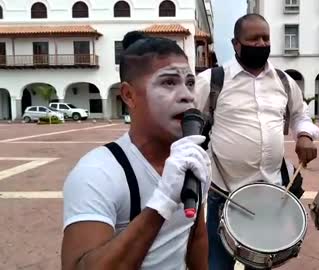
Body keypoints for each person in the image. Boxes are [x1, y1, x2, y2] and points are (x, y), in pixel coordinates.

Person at [61, 31, 211, 270]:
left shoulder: (193, 160)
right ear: (129, 95)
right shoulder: (97, 173)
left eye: (190, 83)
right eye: (169, 82)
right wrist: (162, 203)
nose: (186, 96)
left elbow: (196, 236)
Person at [194, 14, 319, 270]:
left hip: (270, 191)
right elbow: (188, 125)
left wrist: (304, 135)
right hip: (224, 192)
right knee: (217, 265)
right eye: (253, 39)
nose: (261, 44)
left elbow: (299, 115)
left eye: (266, 38)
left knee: (262, 263)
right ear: (236, 44)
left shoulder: (284, 82)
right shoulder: (212, 81)